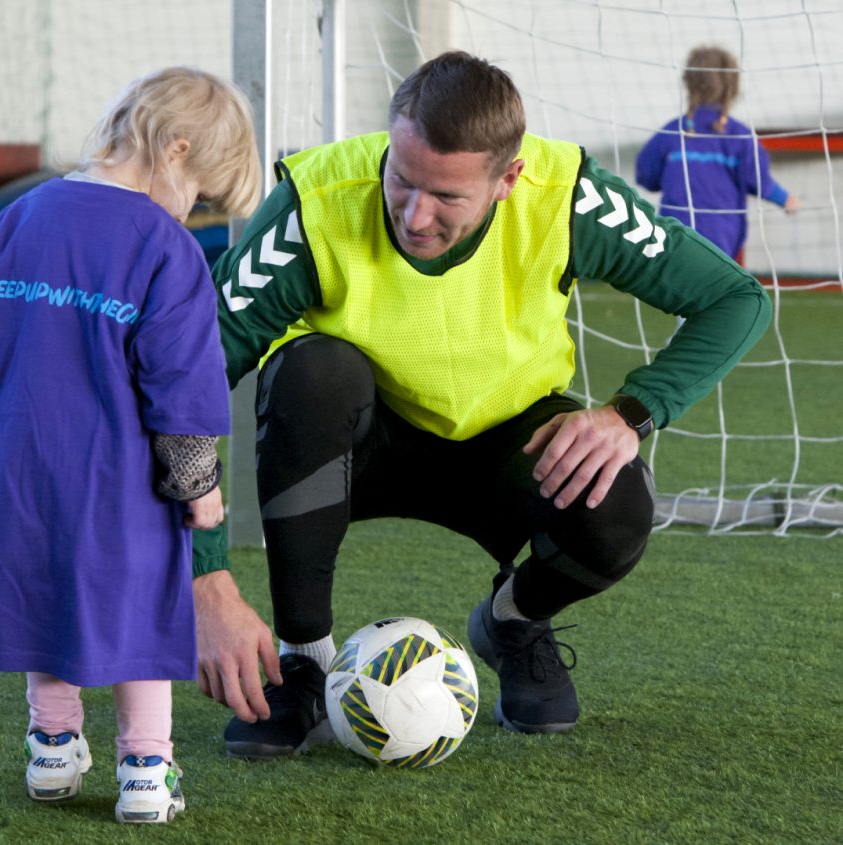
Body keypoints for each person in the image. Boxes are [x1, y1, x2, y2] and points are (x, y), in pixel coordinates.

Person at [189, 51, 772, 759]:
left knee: (619, 494)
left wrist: (631, 412)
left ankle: (512, 621)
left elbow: (734, 298)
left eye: (446, 197)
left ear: (508, 180)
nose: (413, 212)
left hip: (507, 450)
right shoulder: (316, 202)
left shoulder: (567, 195)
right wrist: (207, 579)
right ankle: (306, 661)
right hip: (354, 445)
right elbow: (181, 380)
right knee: (312, 371)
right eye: (400, 179)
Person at [0, 67, 261, 822]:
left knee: (41, 600)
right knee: (141, 614)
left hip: (18, 474)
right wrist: (199, 484)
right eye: (200, 193)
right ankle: (146, 770)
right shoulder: (164, 249)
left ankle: (51, 749)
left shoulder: (19, 216)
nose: (192, 211)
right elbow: (182, 385)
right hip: (120, 484)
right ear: (175, 151)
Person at [636, 44, 799, 266]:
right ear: (732, 87)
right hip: (722, 233)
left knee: (680, 290)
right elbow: (758, 179)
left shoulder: (672, 132)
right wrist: (786, 199)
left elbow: (646, 174)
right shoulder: (739, 136)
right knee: (713, 293)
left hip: (673, 231)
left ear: (688, 83)